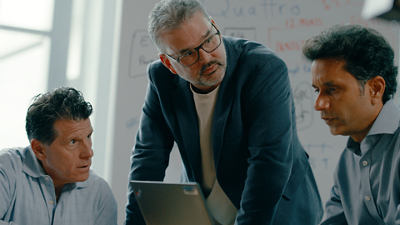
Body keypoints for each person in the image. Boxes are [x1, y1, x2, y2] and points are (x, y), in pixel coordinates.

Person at [125, 0, 323, 224]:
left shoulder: (263, 68)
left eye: (208, 39)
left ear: (214, 25)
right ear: (169, 64)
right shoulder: (161, 78)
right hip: (209, 211)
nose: (207, 57)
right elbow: (148, 157)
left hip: (277, 209)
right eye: (189, 54)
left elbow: (269, 163)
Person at [303, 24, 399, 225]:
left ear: (375, 88)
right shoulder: (348, 161)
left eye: (332, 90)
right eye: (316, 91)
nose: (319, 104)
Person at [0, 87, 117, 225]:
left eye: (88, 136)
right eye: (73, 142)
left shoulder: (100, 193)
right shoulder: (6, 170)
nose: (88, 153)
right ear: (39, 150)